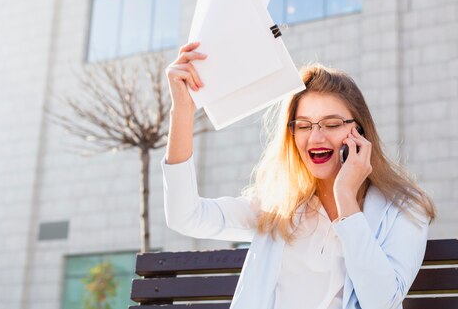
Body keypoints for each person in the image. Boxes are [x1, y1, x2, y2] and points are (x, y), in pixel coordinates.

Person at [163, 41, 436, 309]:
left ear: (360, 131)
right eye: (303, 125)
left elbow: (382, 302)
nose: (316, 137)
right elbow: (185, 217)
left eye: (332, 124)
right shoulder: (277, 206)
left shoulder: (404, 207)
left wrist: (346, 199)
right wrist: (183, 111)